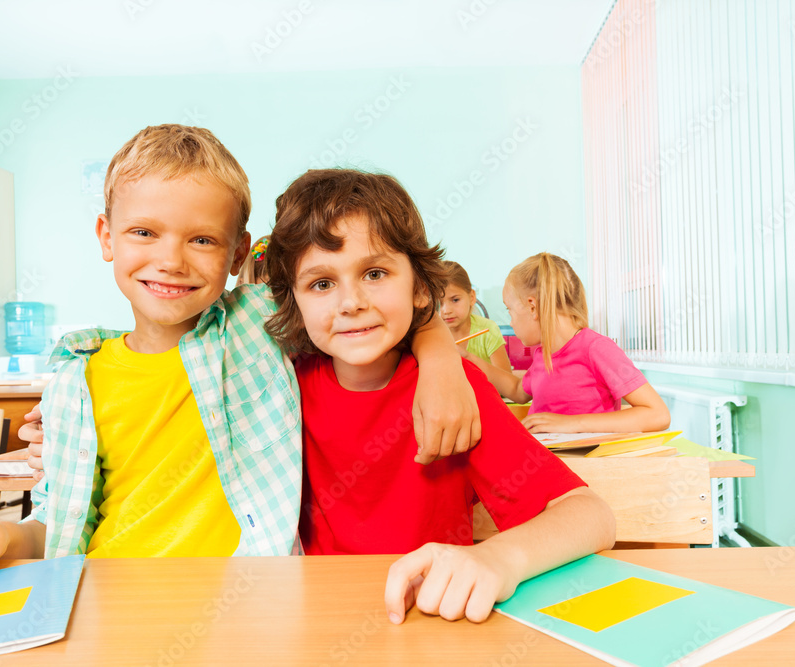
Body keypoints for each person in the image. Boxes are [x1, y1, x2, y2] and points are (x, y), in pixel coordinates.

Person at [0, 125, 479, 578]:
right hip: (103, 602)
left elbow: (366, 300)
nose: (171, 260)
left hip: (245, 607)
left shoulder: (258, 325)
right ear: (106, 236)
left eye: (202, 239)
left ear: (238, 255)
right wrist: (3, 534)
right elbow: (61, 528)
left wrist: (440, 357)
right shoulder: (78, 380)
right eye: (143, 233)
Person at [263, 168, 616, 624]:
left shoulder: (456, 391)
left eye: (374, 273)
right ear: (293, 299)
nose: (350, 302)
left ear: (418, 289)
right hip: (315, 619)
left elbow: (592, 517)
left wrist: (498, 559)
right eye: (321, 284)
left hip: (430, 620)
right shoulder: (282, 384)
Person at [465, 253, 670, 434]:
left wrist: (571, 423)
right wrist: (468, 358)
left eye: (509, 309)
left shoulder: (596, 348)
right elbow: (519, 390)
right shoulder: (543, 354)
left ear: (532, 307)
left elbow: (658, 414)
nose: (510, 321)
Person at [439, 261, 511, 371]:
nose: (446, 311)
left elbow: (507, 379)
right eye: (438, 303)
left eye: (455, 300)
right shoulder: (431, 335)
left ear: (472, 297)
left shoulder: (487, 329)